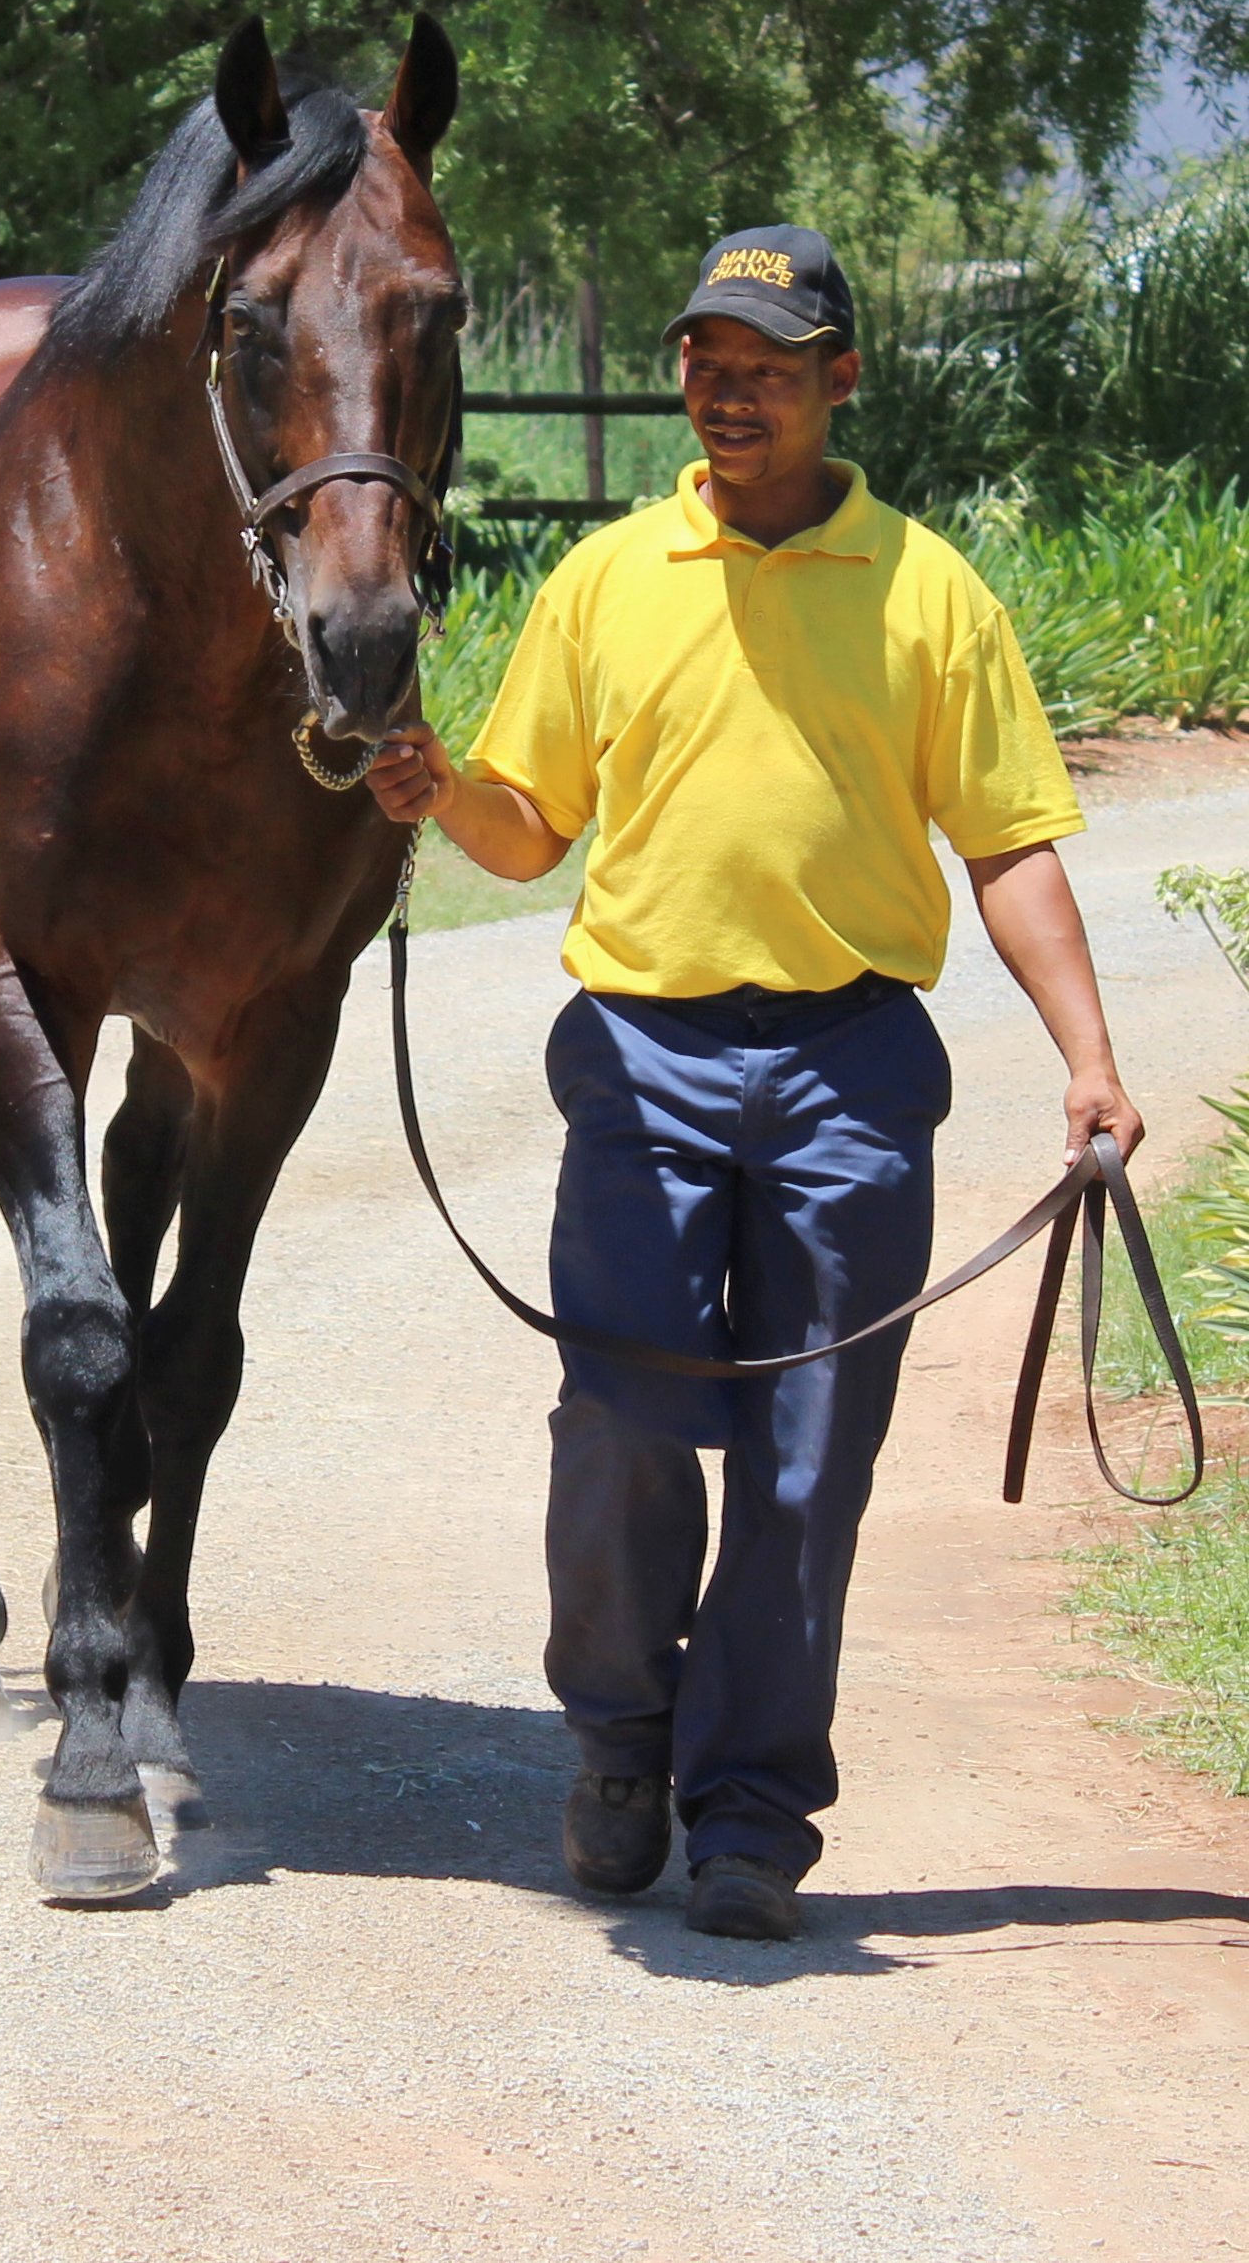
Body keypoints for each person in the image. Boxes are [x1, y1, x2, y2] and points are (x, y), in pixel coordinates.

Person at [366, 224, 1142, 1942]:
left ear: (841, 379)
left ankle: (750, 1814)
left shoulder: (928, 590)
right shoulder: (608, 580)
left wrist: (1089, 1057)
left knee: (808, 1458)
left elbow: (1010, 844)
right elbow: (531, 823)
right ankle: (625, 1737)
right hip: (643, 1057)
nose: (724, 391)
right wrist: (440, 791)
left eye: (766, 365)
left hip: (854, 1070)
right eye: (706, 361)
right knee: (627, 1417)